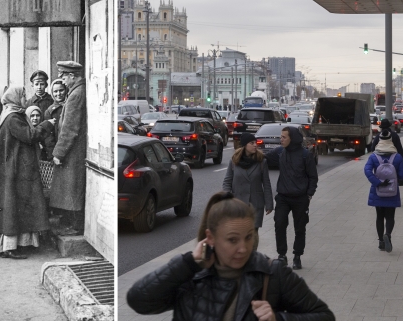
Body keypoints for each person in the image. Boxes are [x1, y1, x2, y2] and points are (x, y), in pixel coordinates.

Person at [126, 192, 335, 321]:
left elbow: (324, 316)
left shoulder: (271, 273)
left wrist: (277, 318)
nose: (243, 248)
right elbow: (138, 301)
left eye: (248, 237)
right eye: (233, 240)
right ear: (211, 237)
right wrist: (188, 263)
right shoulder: (191, 275)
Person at [0, 87, 55, 259]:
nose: (25, 98)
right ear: (15, 98)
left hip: (15, 168)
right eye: (22, 95)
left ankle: (17, 244)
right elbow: (29, 135)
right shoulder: (13, 118)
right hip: (15, 169)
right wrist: (47, 124)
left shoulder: (11, 115)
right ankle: (9, 247)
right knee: (13, 206)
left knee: (17, 206)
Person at [264, 126, 318, 270]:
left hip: (300, 198)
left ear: (292, 139)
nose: (280, 140)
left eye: (283, 137)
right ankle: (282, 255)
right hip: (283, 197)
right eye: (280, 137)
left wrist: (309, 194)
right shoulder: (280, 152)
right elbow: (264, 158)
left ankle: (297, 256)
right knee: (279, 224)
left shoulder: (305, 155)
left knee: (300, 228)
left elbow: (313, 176)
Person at [50, 61, 88, 236]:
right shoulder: (77, 91)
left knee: (72, 189)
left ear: (72, 76)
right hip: (75, 151)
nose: (63, 81)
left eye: (64, 76)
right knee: (71, 188)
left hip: (73, 152)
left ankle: (76, 226)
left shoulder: (75, 94)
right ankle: (73, 224)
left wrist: (59, 152)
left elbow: (70, 128)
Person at [364, 130, 403, 253]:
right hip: (392, 190)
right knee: (390, 216)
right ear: (390, 141)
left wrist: (377, 182)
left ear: (379, 141)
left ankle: (381, 242)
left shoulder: (373, 156)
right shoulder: (397, 157)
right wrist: (394, 179)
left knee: (379, 216)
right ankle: (387, 234)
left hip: (378, 190)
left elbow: (367, 171)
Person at [222, 133, 273, 231]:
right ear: (245, 145)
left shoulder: (261, 161)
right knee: (238, 234)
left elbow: (266, 184)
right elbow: (227, 182)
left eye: (255, 142)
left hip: (255, 204)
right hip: (237, 205)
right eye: (252, 143)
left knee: (252, 236)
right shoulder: (234, 161)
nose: (255, 145)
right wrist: (227, 199)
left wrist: (269, 204)